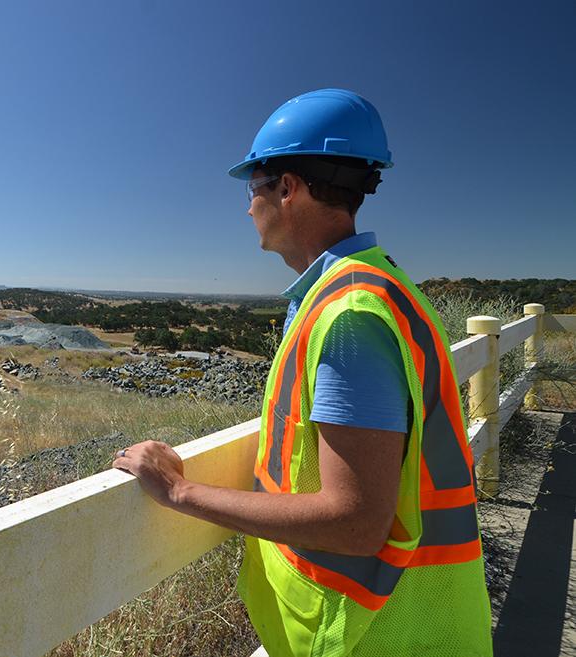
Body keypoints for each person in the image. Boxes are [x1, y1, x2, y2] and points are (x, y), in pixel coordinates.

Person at [112, 89, 492, 656]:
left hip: (377, 634)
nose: (248, 207)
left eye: (254, 187)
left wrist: (179, 490)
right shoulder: (372, 286)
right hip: (400, 621)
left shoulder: (349, 318)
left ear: (287, 189)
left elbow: (356, 522)